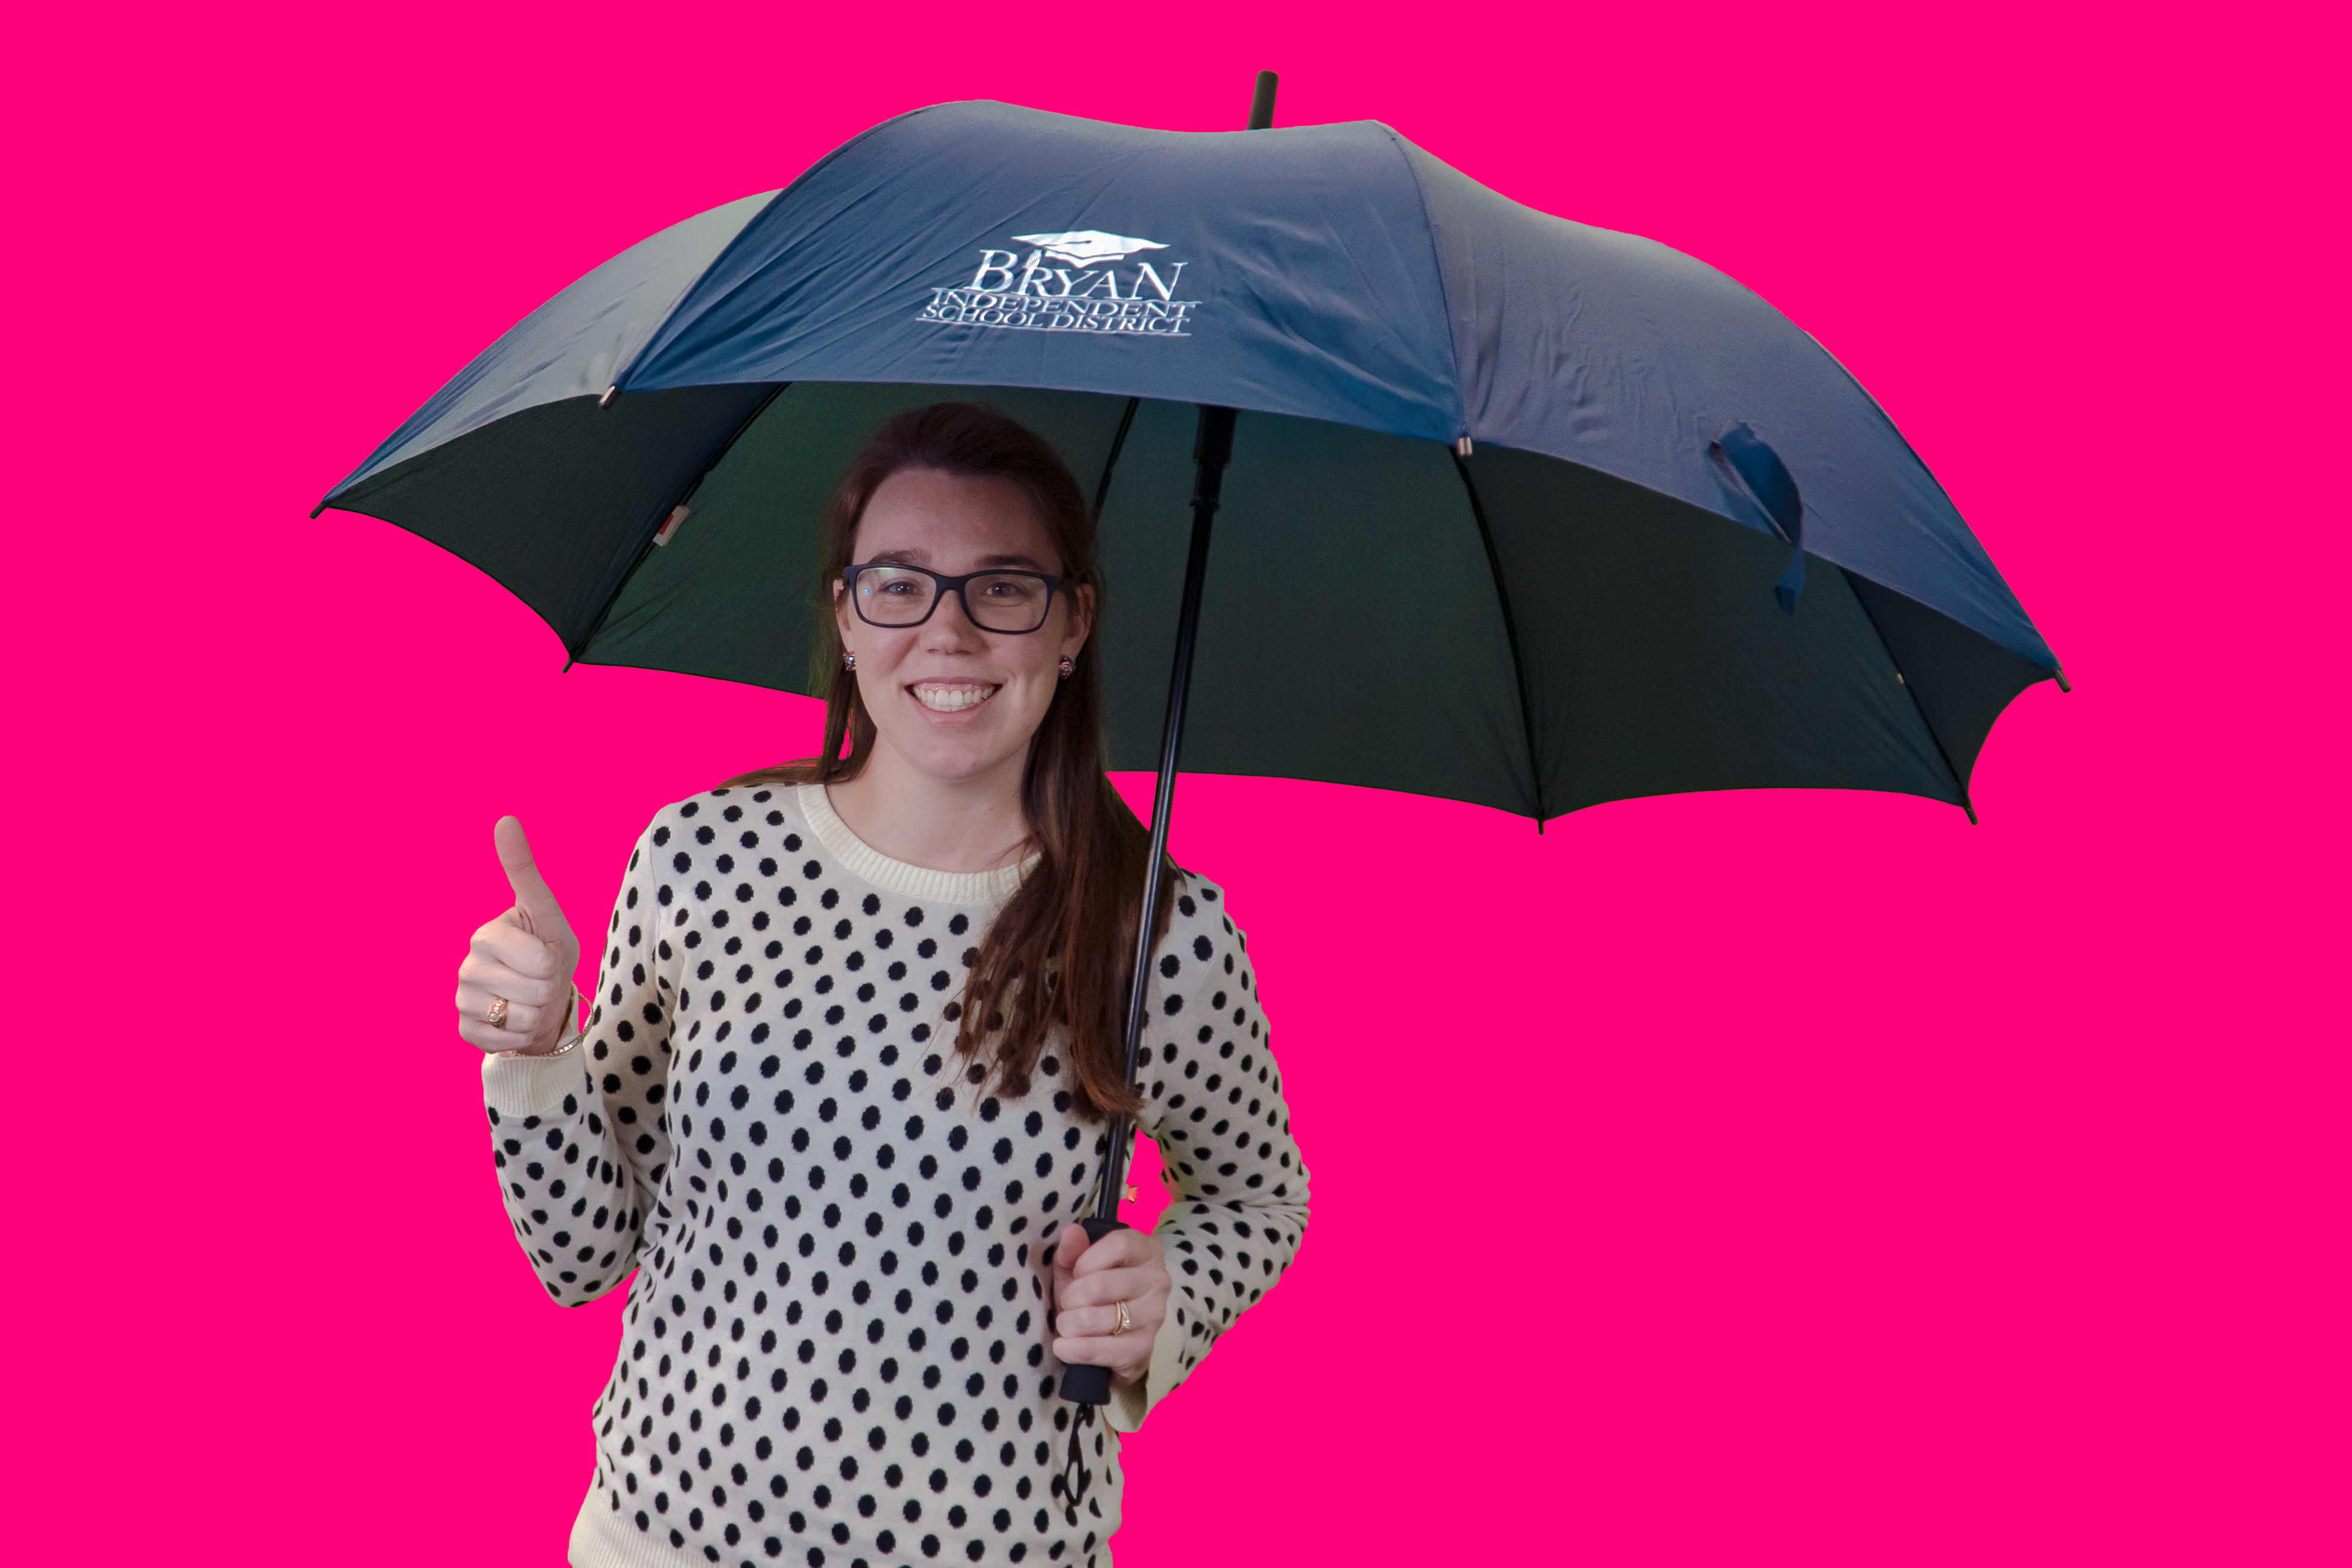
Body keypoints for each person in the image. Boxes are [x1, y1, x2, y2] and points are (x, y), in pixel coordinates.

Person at [452, 402, 1310, 1568]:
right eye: (898, 584)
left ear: (1074, 625)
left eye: (1003, 587)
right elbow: (581, 1257)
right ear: (845, 617)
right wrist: (538, 1054)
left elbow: (1261, 1200)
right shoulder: (704, 858)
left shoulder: (1160, 933)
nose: (946, 633)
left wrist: (1169, 1289)